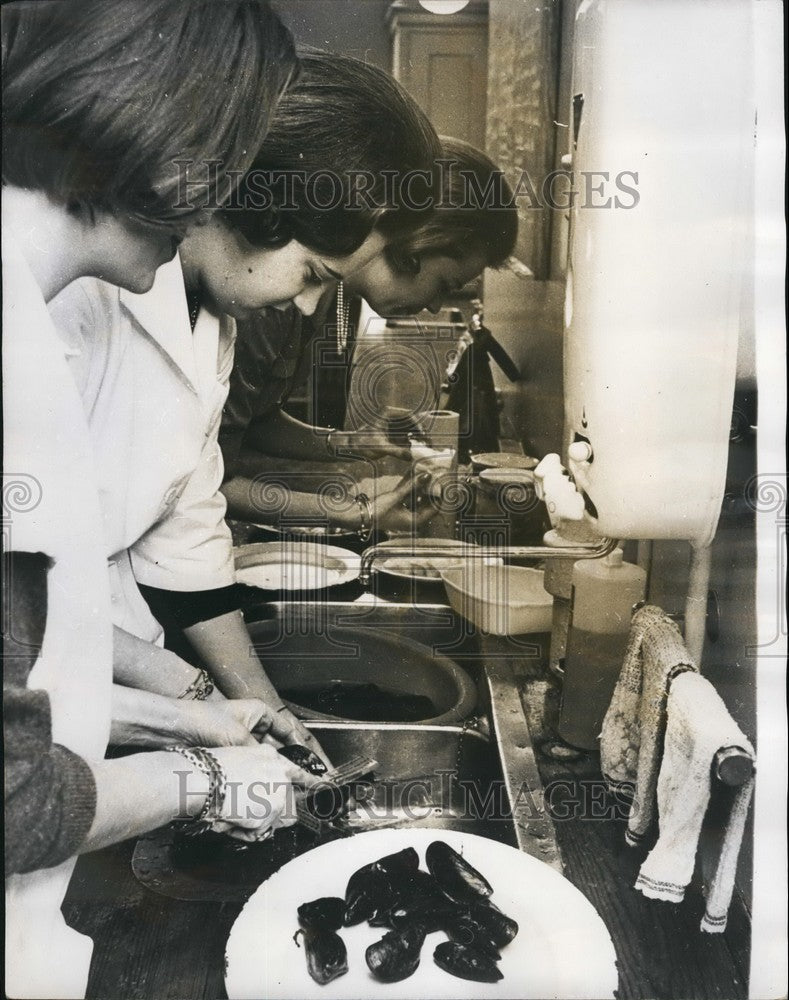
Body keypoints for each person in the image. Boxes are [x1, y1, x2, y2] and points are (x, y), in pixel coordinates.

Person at [2, 3, 315, 996]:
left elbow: (28, 669)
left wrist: (203, 721)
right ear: (178, 155)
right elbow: (12, 799)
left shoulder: (28, 322)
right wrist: (214, 780)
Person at [47, 51, 442, 766]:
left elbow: (187, 533)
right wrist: (192, 703)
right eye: (315, 275)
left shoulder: (212, 317)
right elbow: (21, 600)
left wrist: (264, 715)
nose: (306, 303)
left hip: (111, 658)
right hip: (47, 667)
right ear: (264, 205)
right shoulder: (74, 293)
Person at [219, 138, 518, 534]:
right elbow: (208, 478)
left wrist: (350, 442)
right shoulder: (273, 299)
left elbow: (256, 419)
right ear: (417, 240)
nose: (434, 306)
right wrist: (353, 511)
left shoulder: (333, 296)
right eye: (445, 284)